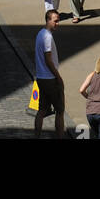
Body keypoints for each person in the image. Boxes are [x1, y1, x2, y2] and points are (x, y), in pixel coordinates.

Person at [34, 9, 65, 138]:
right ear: (48, 20)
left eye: (58, 21)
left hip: (41, 77)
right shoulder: (47, 36)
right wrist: (58, 77)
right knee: (60, 110)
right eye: (55, 21)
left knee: (42, 109)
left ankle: (37, 136)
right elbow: (48, 59)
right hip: (50, 79)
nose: (57, 23)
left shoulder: (40, 33)